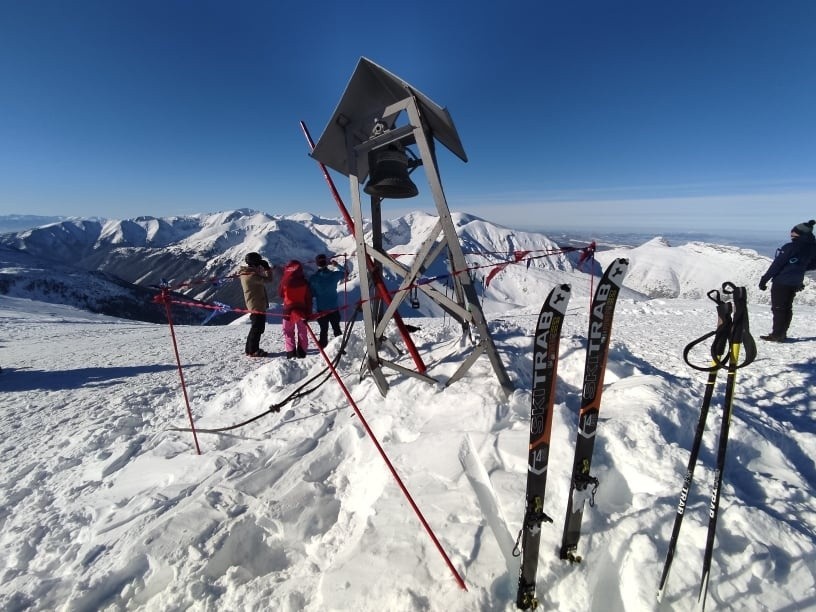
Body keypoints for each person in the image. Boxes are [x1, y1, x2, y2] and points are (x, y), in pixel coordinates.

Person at [758, 219, 816, 342]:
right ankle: (782, 333)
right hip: (795, 282)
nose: (791, 235)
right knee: (787, 308)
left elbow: (777, 265)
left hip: (782, 281)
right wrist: (798, 269)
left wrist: (764, 280)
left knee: (778, 308)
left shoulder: (790, 247)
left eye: (793, 232)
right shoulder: (812, 248)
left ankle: (777, 335)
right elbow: (812, 265)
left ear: (799, 233)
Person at [308, 253, 348, 348]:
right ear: (326, 263)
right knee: (337, 328)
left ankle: (323, 347)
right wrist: (336, 265)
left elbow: (312, 293)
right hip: (334, 308)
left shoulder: (313, 278)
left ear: (317, 264)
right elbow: (346, 273)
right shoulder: (334, 275)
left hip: (321, 309)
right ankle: (341, 347)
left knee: (323, 329)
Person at [239, 252, 274, 357]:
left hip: (255, 303)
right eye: (258, 263)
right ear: (254, 263)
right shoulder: (251, 276)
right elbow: (269, 280)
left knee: (256, 327)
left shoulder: (247, 273)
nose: (259, 265)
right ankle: (253, 350)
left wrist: (259, 269)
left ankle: (250, 349)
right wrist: (267, 269)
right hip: (256, 305)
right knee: (257, 328)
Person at [279, 260, 313, 358]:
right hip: (302, 311)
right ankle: (302, 352)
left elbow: (280, 294)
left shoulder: (285, 281)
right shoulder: (304, 282)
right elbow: (308, 298)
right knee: (302, 331)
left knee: (288, 332)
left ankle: (291, 353)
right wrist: (309, 313)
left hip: (288, 311)